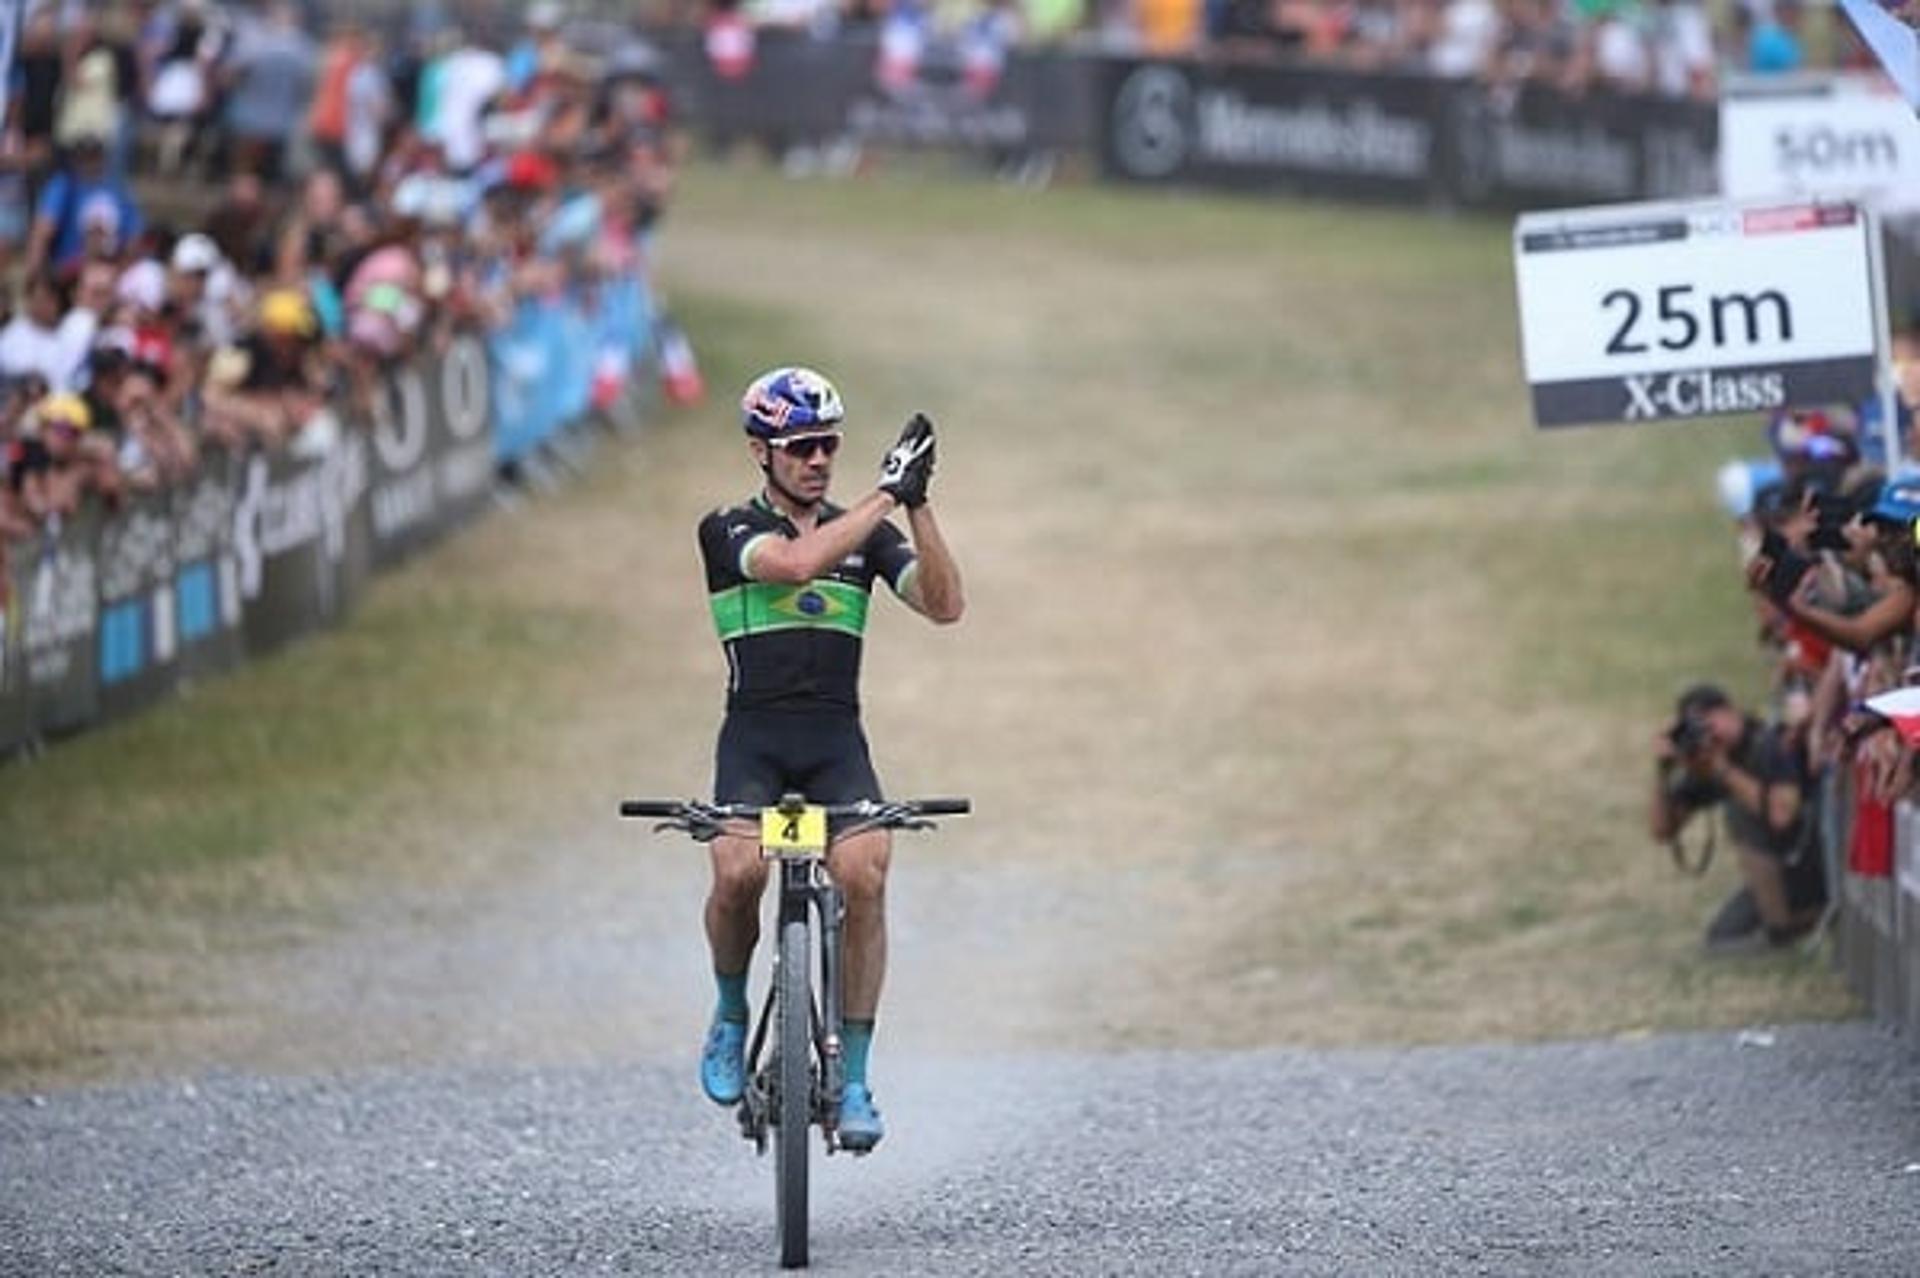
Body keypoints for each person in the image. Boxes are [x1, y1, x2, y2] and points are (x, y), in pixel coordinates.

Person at [694, 366, 963, 1152]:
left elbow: (945, 606)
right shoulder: (727, 528)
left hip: (835, 742)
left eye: (828, 446)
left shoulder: (871, 533)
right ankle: (731, 1010)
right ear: (761, 452)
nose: (817, 460)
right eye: (801, 446)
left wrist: (916, 504)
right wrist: (886, 492)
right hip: (753, 739)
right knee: (737, 873)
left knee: (865, 875)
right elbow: (794, 565)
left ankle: (853, 1080)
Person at [1649, 684, 1824, 951]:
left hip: (1813, 857)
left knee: (1737, 811)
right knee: (1723, 938)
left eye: (1709, 722)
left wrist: (1723, 772)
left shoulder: (1770, 742)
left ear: (1730, 712)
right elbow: (1663, 830)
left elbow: (1782, 816)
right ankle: (1798, 925)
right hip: (1779, 870)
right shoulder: (1708, 761)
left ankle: (1783, 931)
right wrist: (1663, 772)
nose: (1709, 735)